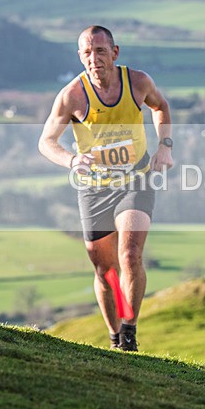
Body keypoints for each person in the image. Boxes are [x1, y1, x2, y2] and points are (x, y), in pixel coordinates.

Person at [38, 26, 173, 352]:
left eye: (100, 51)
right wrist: (72, 160)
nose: (94, 58)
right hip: (94, 188)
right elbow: (46, 141)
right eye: (87, 52)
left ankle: (129, 330)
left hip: (135, 179)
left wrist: (164, 146)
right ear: (80, 56)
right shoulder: (72, 95)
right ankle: (115, 336)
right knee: (104, 269)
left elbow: (161, 107)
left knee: (130, 254)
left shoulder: (137, 82)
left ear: (115, 52)